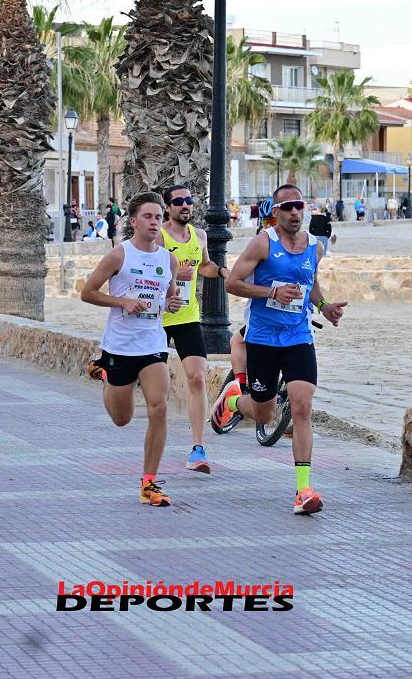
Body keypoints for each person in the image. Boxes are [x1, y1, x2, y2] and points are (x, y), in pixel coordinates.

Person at [212, 184, 347, 515]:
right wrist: (270, 293)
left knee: (302, 407)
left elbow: (311, 285)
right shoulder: (263, 243)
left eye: (299, 206)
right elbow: (232, 283)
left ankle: (304, 490)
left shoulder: (314, 247)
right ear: (276, 212)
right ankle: (231, 400)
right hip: (262, 339)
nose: (295, 213)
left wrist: (325, 306)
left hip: (299, 337)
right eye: (287, 207)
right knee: (264, 412)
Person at [81, 192, 183, 506]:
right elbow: (88, 293)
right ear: (134, 220)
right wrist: (122, 301)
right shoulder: (119, 255)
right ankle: (106, 375)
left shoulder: (169, 259)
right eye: (148, 217)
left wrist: (172, 303)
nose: (155, 223)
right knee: (122, 419)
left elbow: (168, 297)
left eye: (158, 217)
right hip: (120, 346)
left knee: (159, 407)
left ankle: (149, 483)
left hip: (153, 343)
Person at [155, 185, 230, 474]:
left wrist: (221, 272)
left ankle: (198, 449)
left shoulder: (200, 236)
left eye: (189, 200)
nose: (186, 205)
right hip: (159, 320)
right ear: (167, 208)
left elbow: (206, 265)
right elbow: (148, 271)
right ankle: (156, 444)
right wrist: (174, 274)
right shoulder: (159, 236)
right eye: (179, 202)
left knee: (197, 378)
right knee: (157, 388)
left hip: (187, 316)